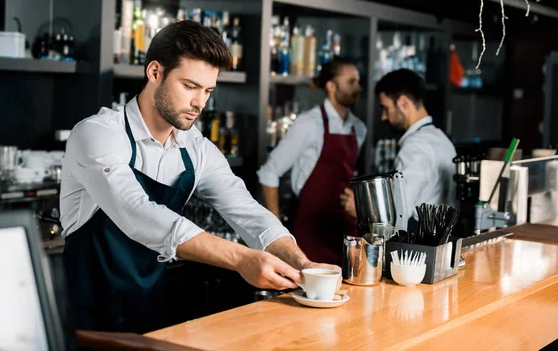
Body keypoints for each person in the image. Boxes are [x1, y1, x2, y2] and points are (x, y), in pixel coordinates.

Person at [59, 20, 338, 334]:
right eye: (190, 86)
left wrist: (303, 263)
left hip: (151, 313)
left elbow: (249, 213)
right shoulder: (98, 134)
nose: (200, 103)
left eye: (208, 90)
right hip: (85, 316)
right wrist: (241, 258)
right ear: (154, 72)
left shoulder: (197, 149)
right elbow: (137, 212)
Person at [257, 57, 367, 266]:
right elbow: (269, 173)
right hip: (310, 231)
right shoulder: (309, 124)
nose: (359, 88)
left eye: (358, 81)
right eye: (351, 82)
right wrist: (277, 234)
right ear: (331, 86)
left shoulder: (358, 129)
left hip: (346, 231)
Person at [341, 68, 457, 225]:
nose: (383, 116)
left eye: (385, 108)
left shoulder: (415, 147)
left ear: (403, 103)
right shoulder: (440, 139)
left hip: (419, 244)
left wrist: (361, 210)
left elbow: (399, 214)